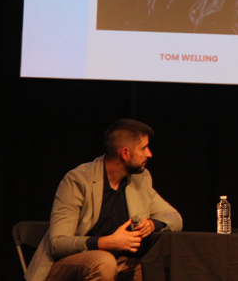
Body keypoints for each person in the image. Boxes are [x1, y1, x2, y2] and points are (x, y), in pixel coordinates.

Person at [26, 119, 183, 281]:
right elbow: (58, 244)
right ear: (125, 153)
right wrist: (108, 242)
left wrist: (152, 224)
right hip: (70, 262)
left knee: (154, 266)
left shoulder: (140, 179)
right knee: (104, 262)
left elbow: (174, 217)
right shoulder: (79, 180)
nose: (149, 154)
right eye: (144, 148)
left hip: (119, 262)